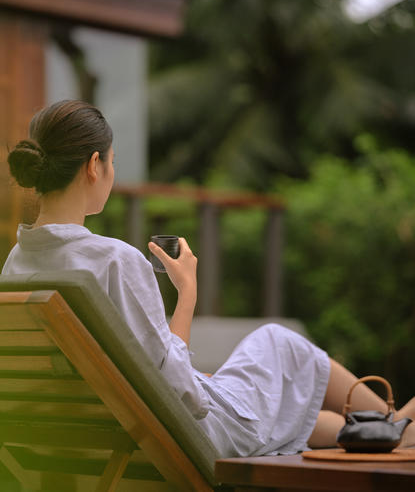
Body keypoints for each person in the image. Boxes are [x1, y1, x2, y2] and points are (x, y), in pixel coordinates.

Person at [2, 99, 415, 456]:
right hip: (181, 437)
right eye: (112, 162)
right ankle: (396, 426)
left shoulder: (15, 264)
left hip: (86, 441)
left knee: (286, 405)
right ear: (95, 165)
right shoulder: (113, 260)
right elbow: (178, 392)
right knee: (280, 343)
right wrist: (187, 293)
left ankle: (385, 431)